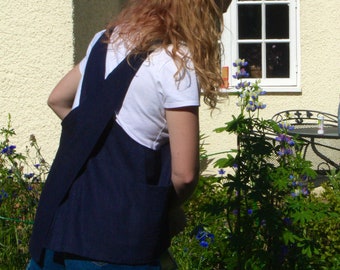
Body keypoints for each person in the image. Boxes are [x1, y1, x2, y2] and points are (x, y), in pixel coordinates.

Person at [27, 0, 230, 269]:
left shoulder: (105, 40)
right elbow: (185, 175)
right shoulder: (175, 63)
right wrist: (164, 209)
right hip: (118, 242)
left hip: (57, 227)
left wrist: (94, 136)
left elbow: (58, 99)